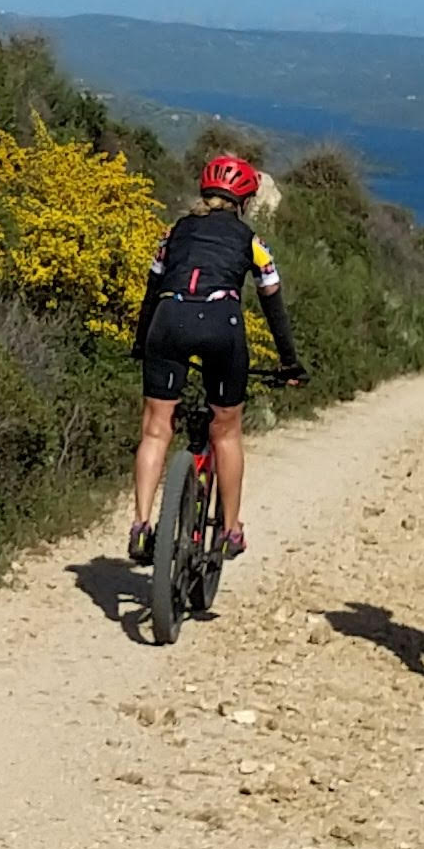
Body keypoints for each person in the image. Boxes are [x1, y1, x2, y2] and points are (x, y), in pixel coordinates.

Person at [130, 150, 303, 563]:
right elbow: (273, 305)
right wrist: (289, 361)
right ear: (244, 202)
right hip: (220, 324)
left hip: (168, 321)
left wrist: (142, 343)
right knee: (226, 430)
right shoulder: (252, 242)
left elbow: (151, 293)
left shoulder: (173, 233)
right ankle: (230, 530)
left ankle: (140, 525)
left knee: (156, 429)